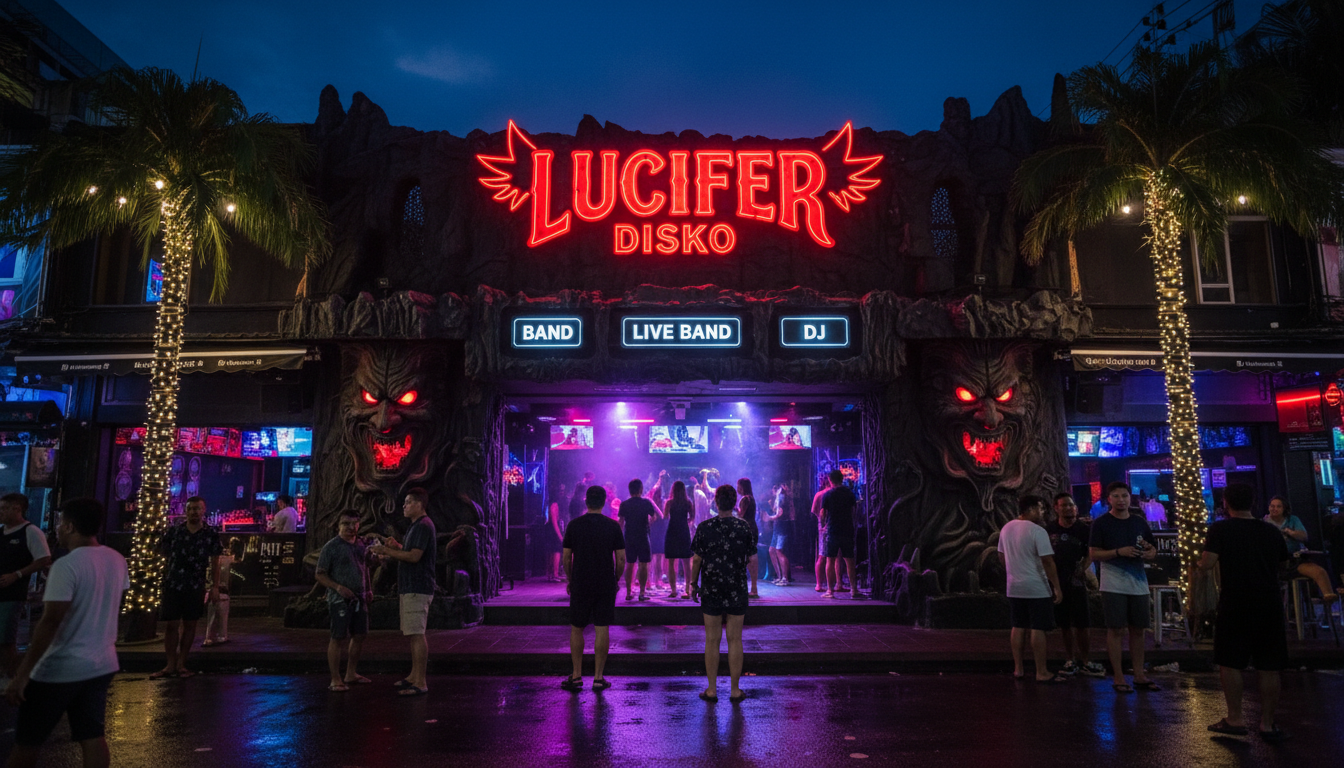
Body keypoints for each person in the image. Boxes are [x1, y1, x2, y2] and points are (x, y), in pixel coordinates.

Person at [4, 498, 127, 768]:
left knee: (28, 741)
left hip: (59, 668)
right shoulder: (116, 560)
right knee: (92, 735)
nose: (57, 528)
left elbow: (50, 622)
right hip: (101, 662)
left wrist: (23, 674)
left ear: (70, 527)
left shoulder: (66, 566)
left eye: (60, 523)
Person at [1196, 484, 1291, 742]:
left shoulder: (1221, 529)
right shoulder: (1271, 531)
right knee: (1270, 665)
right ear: (1254, 501)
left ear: (1225, 502)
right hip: (1269, 601)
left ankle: (1235, 718)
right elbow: (1283, 564)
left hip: (1235, 600)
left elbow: (1207, 563)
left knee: (1231, 661)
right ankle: (1268, 723)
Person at [1089, 481, 1160, 693]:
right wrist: (1119, 552)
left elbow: (1152, 548)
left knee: (1138, 629)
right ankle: (1118, 676)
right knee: (1116, 629)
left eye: (1125, 496)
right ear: (1108, 499)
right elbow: (1094, 553)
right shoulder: (1101, 523)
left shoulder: (1139, 522)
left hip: (1138, 582)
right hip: (1113, 582)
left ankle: (1139, 674)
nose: (1121, 500)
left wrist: (1149, 553)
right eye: (1116, 496)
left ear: (1131, 498)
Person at [690, 484, 757, 702]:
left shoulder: (704, 527)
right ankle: (735, 690)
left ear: (715, 502)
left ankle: (711, 689)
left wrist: (692, 583)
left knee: (712, 639)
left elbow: (697, 559)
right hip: (736, 588)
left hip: (712, 588)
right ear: (735, 502)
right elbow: (752, 558)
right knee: (735, 639)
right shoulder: (743, 527)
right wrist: (753, 585)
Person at [369, 488, 437, 696]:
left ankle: (420, 682)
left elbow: (415, 557)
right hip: (410, 585)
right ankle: (413, 676)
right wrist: (397, 545)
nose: (404, 506)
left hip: (418, 586)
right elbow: (409, 551)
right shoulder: (415, 527)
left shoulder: (423, 526)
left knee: (417, 634)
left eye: (408, 502)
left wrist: (386, 551)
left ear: (419, 504)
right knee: (412, 632)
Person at [561, 485, 626, 692]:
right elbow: (622, 558)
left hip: (581, 580)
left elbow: (565, 557)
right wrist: (615, 578)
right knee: (602, 627)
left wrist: (570, 578)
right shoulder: (613, 526)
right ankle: (598, 677)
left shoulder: (574, 525)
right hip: (605, 581)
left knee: (577, 627)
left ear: (586, 501)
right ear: (604, 502)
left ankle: (577, 675)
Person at [997, 495, 1066, 683]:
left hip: (1014, 585)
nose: (1043, 512)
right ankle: (1041, 671)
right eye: (1041, 509)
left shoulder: (1006, 528)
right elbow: (1047, 561)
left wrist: (1013, 571)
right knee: (1038, 627)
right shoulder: (1037, 531)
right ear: (1032, 508)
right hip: (1036, 586)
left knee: (1018, 625)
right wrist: (1056, 587)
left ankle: (1018, 669)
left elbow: (1001, 556)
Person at [152, 496, 222, 679]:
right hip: (174, 582)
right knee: (171, 624)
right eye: (191, 509)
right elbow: (162, 554)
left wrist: (215, 586)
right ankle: (170, 664)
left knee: (190, 624)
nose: (194, 512)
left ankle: (182, 663)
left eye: (197, 509)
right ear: (186, 510)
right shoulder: (175, 532)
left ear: (203, 511)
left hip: (195, 583)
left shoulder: (210, 534)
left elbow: (216, 562)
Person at [315, 511, 378, 692]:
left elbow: (366, 566)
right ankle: (335, 678)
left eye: (354, 523)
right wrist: (337, 587)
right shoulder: (331, 547)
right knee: (337, 637)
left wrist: (369, 588)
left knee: (359, 635)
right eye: (346, 524)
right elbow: (320, 573)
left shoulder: (361, 544)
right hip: (339, 600)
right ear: (339, 526)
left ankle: (351, 672)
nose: (351, 528)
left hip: (360, 597)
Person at [1047, 493, 1103, 677]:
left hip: (1077, 580)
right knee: (1064, 623)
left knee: (1082, 622)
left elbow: (1091, 552)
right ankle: (1070, 658)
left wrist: (1083, 567)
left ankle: (1085, 660)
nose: (1068, 508)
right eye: (1064, 505)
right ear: (1056, 508)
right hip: (1057, 579)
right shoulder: (1050, 529)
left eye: (1071, 505)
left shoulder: (1084, 529)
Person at [0, 493, 52, 680]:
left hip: (13, 593)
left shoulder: (30, 531)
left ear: (17, 508)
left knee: (5, 639)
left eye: (4, 508)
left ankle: (15, 678)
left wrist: (17, 575)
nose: (1, 512)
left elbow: (44, 559)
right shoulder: (1, 531)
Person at [1266, 496, 1337, 604]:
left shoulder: (1292, 520)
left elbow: (1304, 536)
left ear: (1284, 508)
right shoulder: (1264, 522)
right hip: (1272, 562)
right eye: (1272, 506)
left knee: (1319, 571)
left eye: (1278, 506)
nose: (1274, 509)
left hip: (1293, 559)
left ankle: (1328, 600)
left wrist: (1290, 532)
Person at [821, 470, 863, 599]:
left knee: (830, 560)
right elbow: (854, 511)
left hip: (833, 530)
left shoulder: (828, 494)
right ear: (842, 479)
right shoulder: (849, 493)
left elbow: (823, 513)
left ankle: (830, 591)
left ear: (830, 480)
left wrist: (823, 526)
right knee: (849, 560)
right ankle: (854, 590)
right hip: (847, 530)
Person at [618, 479, 660, 601]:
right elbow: (654, 517)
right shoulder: (646, 503)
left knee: (630, 564)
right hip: (643, 535)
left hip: (629, 536)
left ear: (630, 490)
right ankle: (642, 592)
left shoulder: (624, 504)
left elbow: (621, 522)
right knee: (643, 564)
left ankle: (629, 592)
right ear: (641, 489)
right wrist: (648, 525)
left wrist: (619, 536)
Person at [201, 538, 240, 648]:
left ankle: (211, 637)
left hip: (212, 589)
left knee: (213, 616)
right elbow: (237, 559)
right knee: (220, 616)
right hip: (221, 590)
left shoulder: (208, 560)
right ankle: (219, 637)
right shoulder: (225, 560)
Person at [663, 480, 695, 599]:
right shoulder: (688, 502)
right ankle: (688, 589)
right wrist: (686, 522)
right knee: (686, 562)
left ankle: (673, 590)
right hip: (684, 531)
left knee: (671, 562)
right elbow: (692, 518)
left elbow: (665, 516)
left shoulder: (669, 502)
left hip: (672, 531)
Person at [649, 471, 670, 591]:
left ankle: (653, 582)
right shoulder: (661, 503)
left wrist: (659, 479)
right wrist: (659, 479)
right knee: (658, 558)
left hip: (657, 530)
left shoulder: (654, 503)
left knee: (654, 558)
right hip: (660, 530)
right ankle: (656, 582)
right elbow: (665, 517)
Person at [768, 484, 793, 586]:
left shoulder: (782, 498)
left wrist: (769, 518)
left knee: (779, 551)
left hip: (782, 527)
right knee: (772, 550)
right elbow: (777, 510)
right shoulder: (779, 498)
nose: (772, 491)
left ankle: (785, 578)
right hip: (777, 528)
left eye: (774, 489)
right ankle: (779, 576)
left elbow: (780, 513)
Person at [810, 476, 829, 592]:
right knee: (833, 557)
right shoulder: (830, 493)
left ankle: (819, 584)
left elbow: (814, 511)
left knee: (822, 556)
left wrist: (820, 520)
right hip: (829, 525)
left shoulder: (819, 494)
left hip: (822, 526)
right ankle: (835, 584)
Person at [542, 492, 566, 582]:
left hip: (549, 530)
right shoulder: (554, 505)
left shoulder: (549, 504)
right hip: (553, 531)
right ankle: (555, 574)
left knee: (551, 551)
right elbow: (554, 522)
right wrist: (560, 536)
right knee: (556, 551)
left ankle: (550, 574)